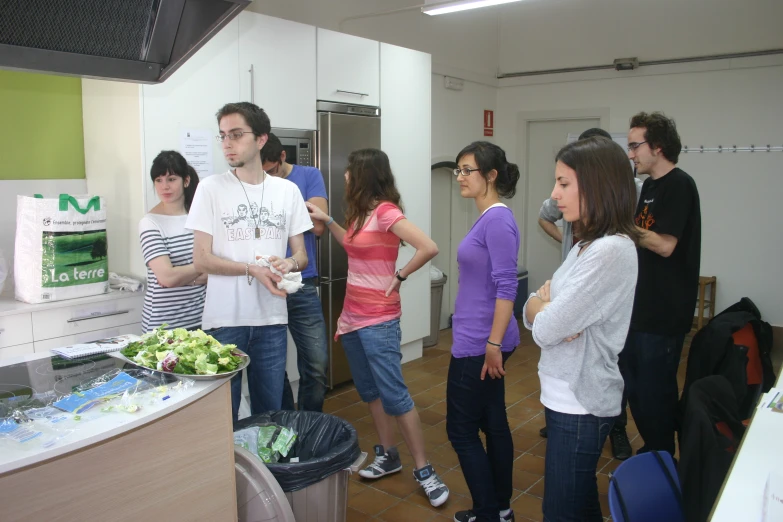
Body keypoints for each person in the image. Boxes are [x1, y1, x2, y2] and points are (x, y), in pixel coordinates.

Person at [305, 148, 450, 507]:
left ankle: (425, 470)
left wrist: (400, 275)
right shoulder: (360, 215)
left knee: (395, 396)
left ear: (364, 175)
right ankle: (388, 455)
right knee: (370, 393)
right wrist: (329, 219)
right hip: (352, 318)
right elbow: (351, 246)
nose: (345, 177)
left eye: (350, 171)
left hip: (379, 319)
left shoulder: (386, 211)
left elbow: (427, 247)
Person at [524, 136, 640, 521]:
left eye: (564, 183)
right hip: (565, 394)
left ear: (598, 185)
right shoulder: (583, 246)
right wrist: (545, 308)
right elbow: (532, 310)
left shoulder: (610, 251)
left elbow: (544, 328)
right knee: (579, 503)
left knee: (561, 511)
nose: (554, 194)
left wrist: (549, 310)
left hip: (582, 402)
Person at [187, 102, 313, 422]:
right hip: (224, 318)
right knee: (222, 414)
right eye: (223, 136)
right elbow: (200, 259)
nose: (227, 143)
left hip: (271, 318)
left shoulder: (287, 192)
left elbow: (301, 256)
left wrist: (287, 263)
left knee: (269, 412)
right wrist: (250, 269)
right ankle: (227, 472)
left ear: (260, 140)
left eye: (236, 135)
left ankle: (267, 472)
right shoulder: (210, 188)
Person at [447, 142, 520, 522]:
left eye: (467, 170)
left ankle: (488, 512)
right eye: (457, 170)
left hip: (480, 343)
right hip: (482, 338)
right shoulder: (488, 217)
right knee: (492, 421)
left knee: (460, 430)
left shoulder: (497, 220)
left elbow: (508, 287)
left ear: (490, 175)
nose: (460, 177)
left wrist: (492, 344)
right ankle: (501, 508)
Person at [623, 111, 701, 456]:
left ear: (657, 146)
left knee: (656, 390)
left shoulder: (680, 185)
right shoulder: (649, 187)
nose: (631, 154)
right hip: (641, 308)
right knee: (636, 387)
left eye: (635, 146)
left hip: (664, 312)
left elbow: (666, 245)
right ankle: (656, 449)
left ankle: (664, 455)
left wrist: (623, 226)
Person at [261, 133, 329, 412]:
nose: (269, 177)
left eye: (272, 170)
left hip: (302, 279)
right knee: (272, 366)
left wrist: (283, 204)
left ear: (283, 158)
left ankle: (310, 423)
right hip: (266, 281)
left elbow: (318, 227)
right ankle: (289, 425)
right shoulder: (253, 182)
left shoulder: (309, 175)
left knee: (317, 363)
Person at [139, 150, 206, 332]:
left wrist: (184, 275)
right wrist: (203, 266)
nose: (164, 187)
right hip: (163, 325)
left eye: (171, 179)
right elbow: (167, 278)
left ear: (186, 180)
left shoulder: (199, 217)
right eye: (159, 180)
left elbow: (219, 270)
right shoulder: (150, 223)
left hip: (201, 320)